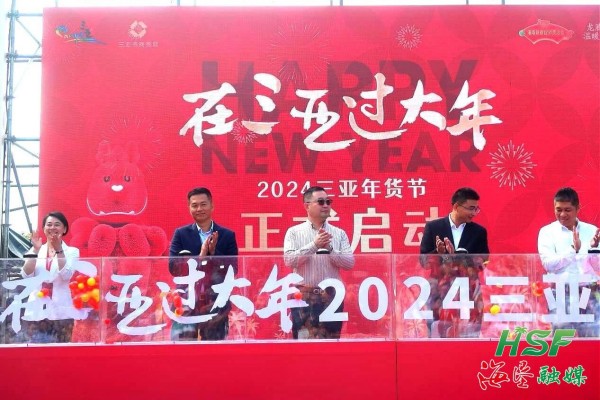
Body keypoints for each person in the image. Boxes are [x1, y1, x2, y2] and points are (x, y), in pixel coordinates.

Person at [283, 186, 354, 339]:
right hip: (303, 296)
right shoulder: (294, 232)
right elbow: (289, 260)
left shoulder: (339, 233)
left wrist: (330, 249)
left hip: (331, 296)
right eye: (321, 202)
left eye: (328, 202)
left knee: (331, 342)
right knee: (303, 343)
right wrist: (314, 245)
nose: (326, 205)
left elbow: (349, 263)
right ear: (307, 206)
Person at [169, 187, 238, 341]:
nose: (199, 209)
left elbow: (233, 270)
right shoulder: (180, 234)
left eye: (203, 204)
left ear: (212, 206)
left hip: (215, 303)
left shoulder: (227, 235)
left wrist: (213, 254)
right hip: (186, 302)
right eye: (194, 205)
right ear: (189, 208)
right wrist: (199, 258)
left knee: (214, 351)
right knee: (182, 349)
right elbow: (173, 267)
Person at [419, 187, 489, 337]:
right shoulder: (434, 227)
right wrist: (438, 253)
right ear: (456, 206)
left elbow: (484, 261)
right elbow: (423, 261)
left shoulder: (479, 232)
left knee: (470, 333)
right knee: (438, 332)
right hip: (440, 289)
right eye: (471, 208)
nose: (474, 213)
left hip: (468, 289)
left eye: (476, 209)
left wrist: (460, 256)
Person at [537, 187, 600, 337]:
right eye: (558, 210)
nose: (562, 214)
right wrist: (573, 250)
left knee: (591, 338)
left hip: (587, 290)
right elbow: (548, 264)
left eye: (567, 210)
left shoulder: (591, 231)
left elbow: (597, 267)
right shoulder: (547, 232)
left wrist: (593, 249)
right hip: (560, 291)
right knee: (562, 339)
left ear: (578, 208)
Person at [21, 211, 86, 343]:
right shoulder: (35, 249)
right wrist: (35, 250)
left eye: (57, 224)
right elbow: (26, 275)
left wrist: (59, 250)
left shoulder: (72, 251)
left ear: (64, 229)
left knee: (61, 351)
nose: (52, 228)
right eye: (49, 224)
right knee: (36, 350)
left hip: (61, 310)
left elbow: (66, 275)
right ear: (44, 228)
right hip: (37, 308)